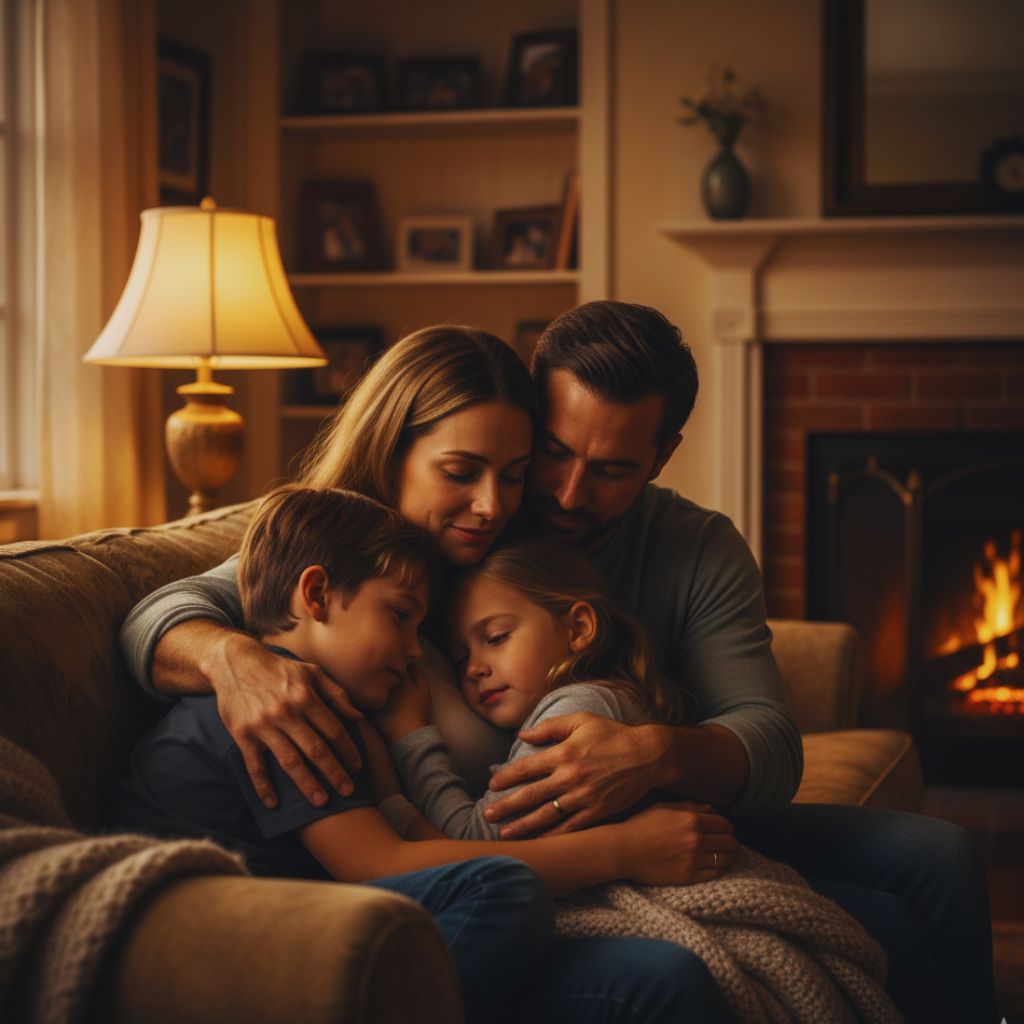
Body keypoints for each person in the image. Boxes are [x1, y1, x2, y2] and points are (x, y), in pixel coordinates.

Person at [117, 324, 733, 1023]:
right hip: (262, 928)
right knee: (544, 916)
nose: (494, 506)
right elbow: (162, 614)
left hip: (395, 894)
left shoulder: (496, 555)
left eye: (513, 474)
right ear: (393, 452)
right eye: (460, 470)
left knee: (677, 967)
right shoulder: (325, 607)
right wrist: (233, 660)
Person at [372, 538, 902, 1023]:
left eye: (496, 638)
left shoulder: (571, 714)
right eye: (462, 656)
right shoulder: (607, 695)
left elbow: (478, 844)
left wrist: (411, 743)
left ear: (579, 628)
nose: (475, 669)